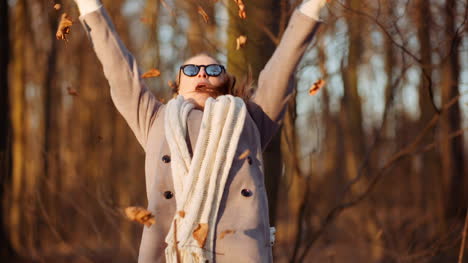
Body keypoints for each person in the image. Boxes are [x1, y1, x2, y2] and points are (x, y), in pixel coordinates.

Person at [73, 0, 326, 262]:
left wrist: (311, 9)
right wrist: (90, 7)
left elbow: (281, 72)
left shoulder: (248, 119)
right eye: (192, 70)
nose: (202, 74)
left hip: (238, 252)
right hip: (171, 252)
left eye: (213, 70)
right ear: (178, 85)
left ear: (226, 83)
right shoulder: (154, 118)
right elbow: (119, 72)